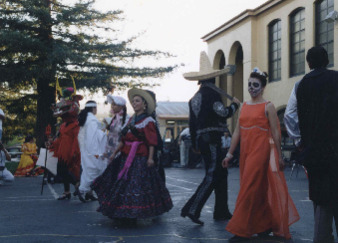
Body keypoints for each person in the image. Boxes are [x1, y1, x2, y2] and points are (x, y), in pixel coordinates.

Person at [222, 68, 299, 241]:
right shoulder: (244, 106)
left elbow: (276, 133)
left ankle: (240, 230)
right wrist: (229, 154)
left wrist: (279, 156)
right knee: (257, 189)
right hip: (246, 153)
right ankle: (264, 224)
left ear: (263, 87)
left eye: (255, 85)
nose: (251, 88)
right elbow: (237, 132)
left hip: (261, 151)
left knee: (248, 189)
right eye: (249, 84)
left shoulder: (269, 106)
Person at [91, 88, 172, 224]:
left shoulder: (148, 120)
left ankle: (133, 212)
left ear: (144, 104)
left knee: (136, 186)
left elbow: (152, 142)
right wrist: (114, 154)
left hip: (140, 157)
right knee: (123, 184)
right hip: (125, 157)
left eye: (137, 101)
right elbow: (122, 140)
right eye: (133, 101)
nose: (134, 103)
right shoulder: (131, 120)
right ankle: (123, 211)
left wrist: (151, 158)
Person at [181, 51, 240, 225]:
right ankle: (193, 209)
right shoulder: (212, 95)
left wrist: (194, 143)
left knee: (221, 173)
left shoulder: (194, 99)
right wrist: (235, 106)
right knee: (214, 174)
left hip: (201, 140)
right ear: (212, 79)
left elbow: (192, 124)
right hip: (213, 139)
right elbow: (222, 113)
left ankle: (221, 211)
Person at [296, 46, 338, 243]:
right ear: (327, 60)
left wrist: (304, 144)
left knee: (321, 203)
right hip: (335, 149)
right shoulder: (335, 79)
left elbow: (296, 118)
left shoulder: (302, 84)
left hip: (315, 153)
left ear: (309, 63)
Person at [50, 87, 82, 200]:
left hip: (70, 148)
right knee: (61, 168)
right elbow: (59, 136)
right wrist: (53, 143)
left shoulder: (75, 123)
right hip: (62, 147)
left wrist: (74, 151)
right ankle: (68, 190)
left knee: (67, 168)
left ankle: (78, 185)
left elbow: (76, 139)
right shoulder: (63, 125)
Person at [77, 101, 108, 202]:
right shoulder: (91, 120)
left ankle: (87, 191)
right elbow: (94, 136)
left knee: (88, 171)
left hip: (86, 149)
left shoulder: (87, 119)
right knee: (95, 170)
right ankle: (83, 189)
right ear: (94, 108)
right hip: (92, 150)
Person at [105, 95, 127, 159]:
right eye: (112, 104)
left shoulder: (126, 119)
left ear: (121, 106)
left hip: (118, 150)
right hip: (110, 148)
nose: (112, 106)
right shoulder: (114, 118)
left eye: (114, 105)